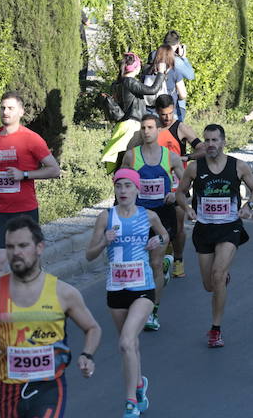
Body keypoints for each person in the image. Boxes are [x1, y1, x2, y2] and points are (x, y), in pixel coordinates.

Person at [0, 216, 101, 418]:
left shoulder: (63, 292)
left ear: (39, 247)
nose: (16, 253)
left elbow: (92, 328)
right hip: (8, 389)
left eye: (23, 245)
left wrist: (87, 355)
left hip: (49, 386)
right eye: (10, 247)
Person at [85, 169, 168, 418]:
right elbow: (89, 255)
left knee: (125, 341)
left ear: (137, 190)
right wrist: (103, 242)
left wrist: (158, 241)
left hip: (143, 288)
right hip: (116, 289)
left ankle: (130, 401)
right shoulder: (105, 217)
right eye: (119, 186)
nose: (123, 191)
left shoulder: (149, 216)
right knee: (129, 345)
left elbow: (164, 234)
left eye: (127, 186)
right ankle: (139, 385)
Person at [175, 124, 253, 348]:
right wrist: (187, 209)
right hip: (204, 229)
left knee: (218, 273)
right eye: (207, 140)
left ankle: (215, 329)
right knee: (209, 285)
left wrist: (248, 206)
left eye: (215, 140)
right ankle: (220, 280)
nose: (210, 145)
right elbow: (180, 193)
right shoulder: (195, 168)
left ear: (223, 142)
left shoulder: (238, 166)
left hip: (229, 227)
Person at [127, 94, 205, 279]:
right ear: (157, 112)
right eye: (163, 114)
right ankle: (158, 262)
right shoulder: (148, 131)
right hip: (149, 191)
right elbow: (128, 153)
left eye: (170, 113)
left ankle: (177, 259)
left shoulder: (181, 128)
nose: (167, 118)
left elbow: (202, 149)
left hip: (176, 185)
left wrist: (186, 158)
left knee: (177, 228)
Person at [119, 115, 184, 331]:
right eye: (143, 128)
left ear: (158, 131)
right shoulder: (131, 156)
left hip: (163, 215)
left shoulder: (171, 157)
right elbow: (120, 182)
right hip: (138, 216)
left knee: (154, 264)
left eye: (150, 128)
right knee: (139, 264)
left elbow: (185, 186)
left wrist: (175, 195)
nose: (146, 132)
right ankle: (141, 298)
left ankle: (152, 312)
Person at [0, 92, 60, 276]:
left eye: (10, 108)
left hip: (24, 211)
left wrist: (24, 174)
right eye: (3, 107)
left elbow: (54, 169)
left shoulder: (31, 139)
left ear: (20, 111)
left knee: (28, 266)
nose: (5, 112)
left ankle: (31, 302)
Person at [100, 52, 168, 173]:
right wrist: (161, 73)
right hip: (132, 126)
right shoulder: (129, 81)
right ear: (136, 67)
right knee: (132, 162)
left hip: (122, 125)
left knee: (123, 161)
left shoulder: (117, 83)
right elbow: (152, 90)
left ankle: (120, 184)